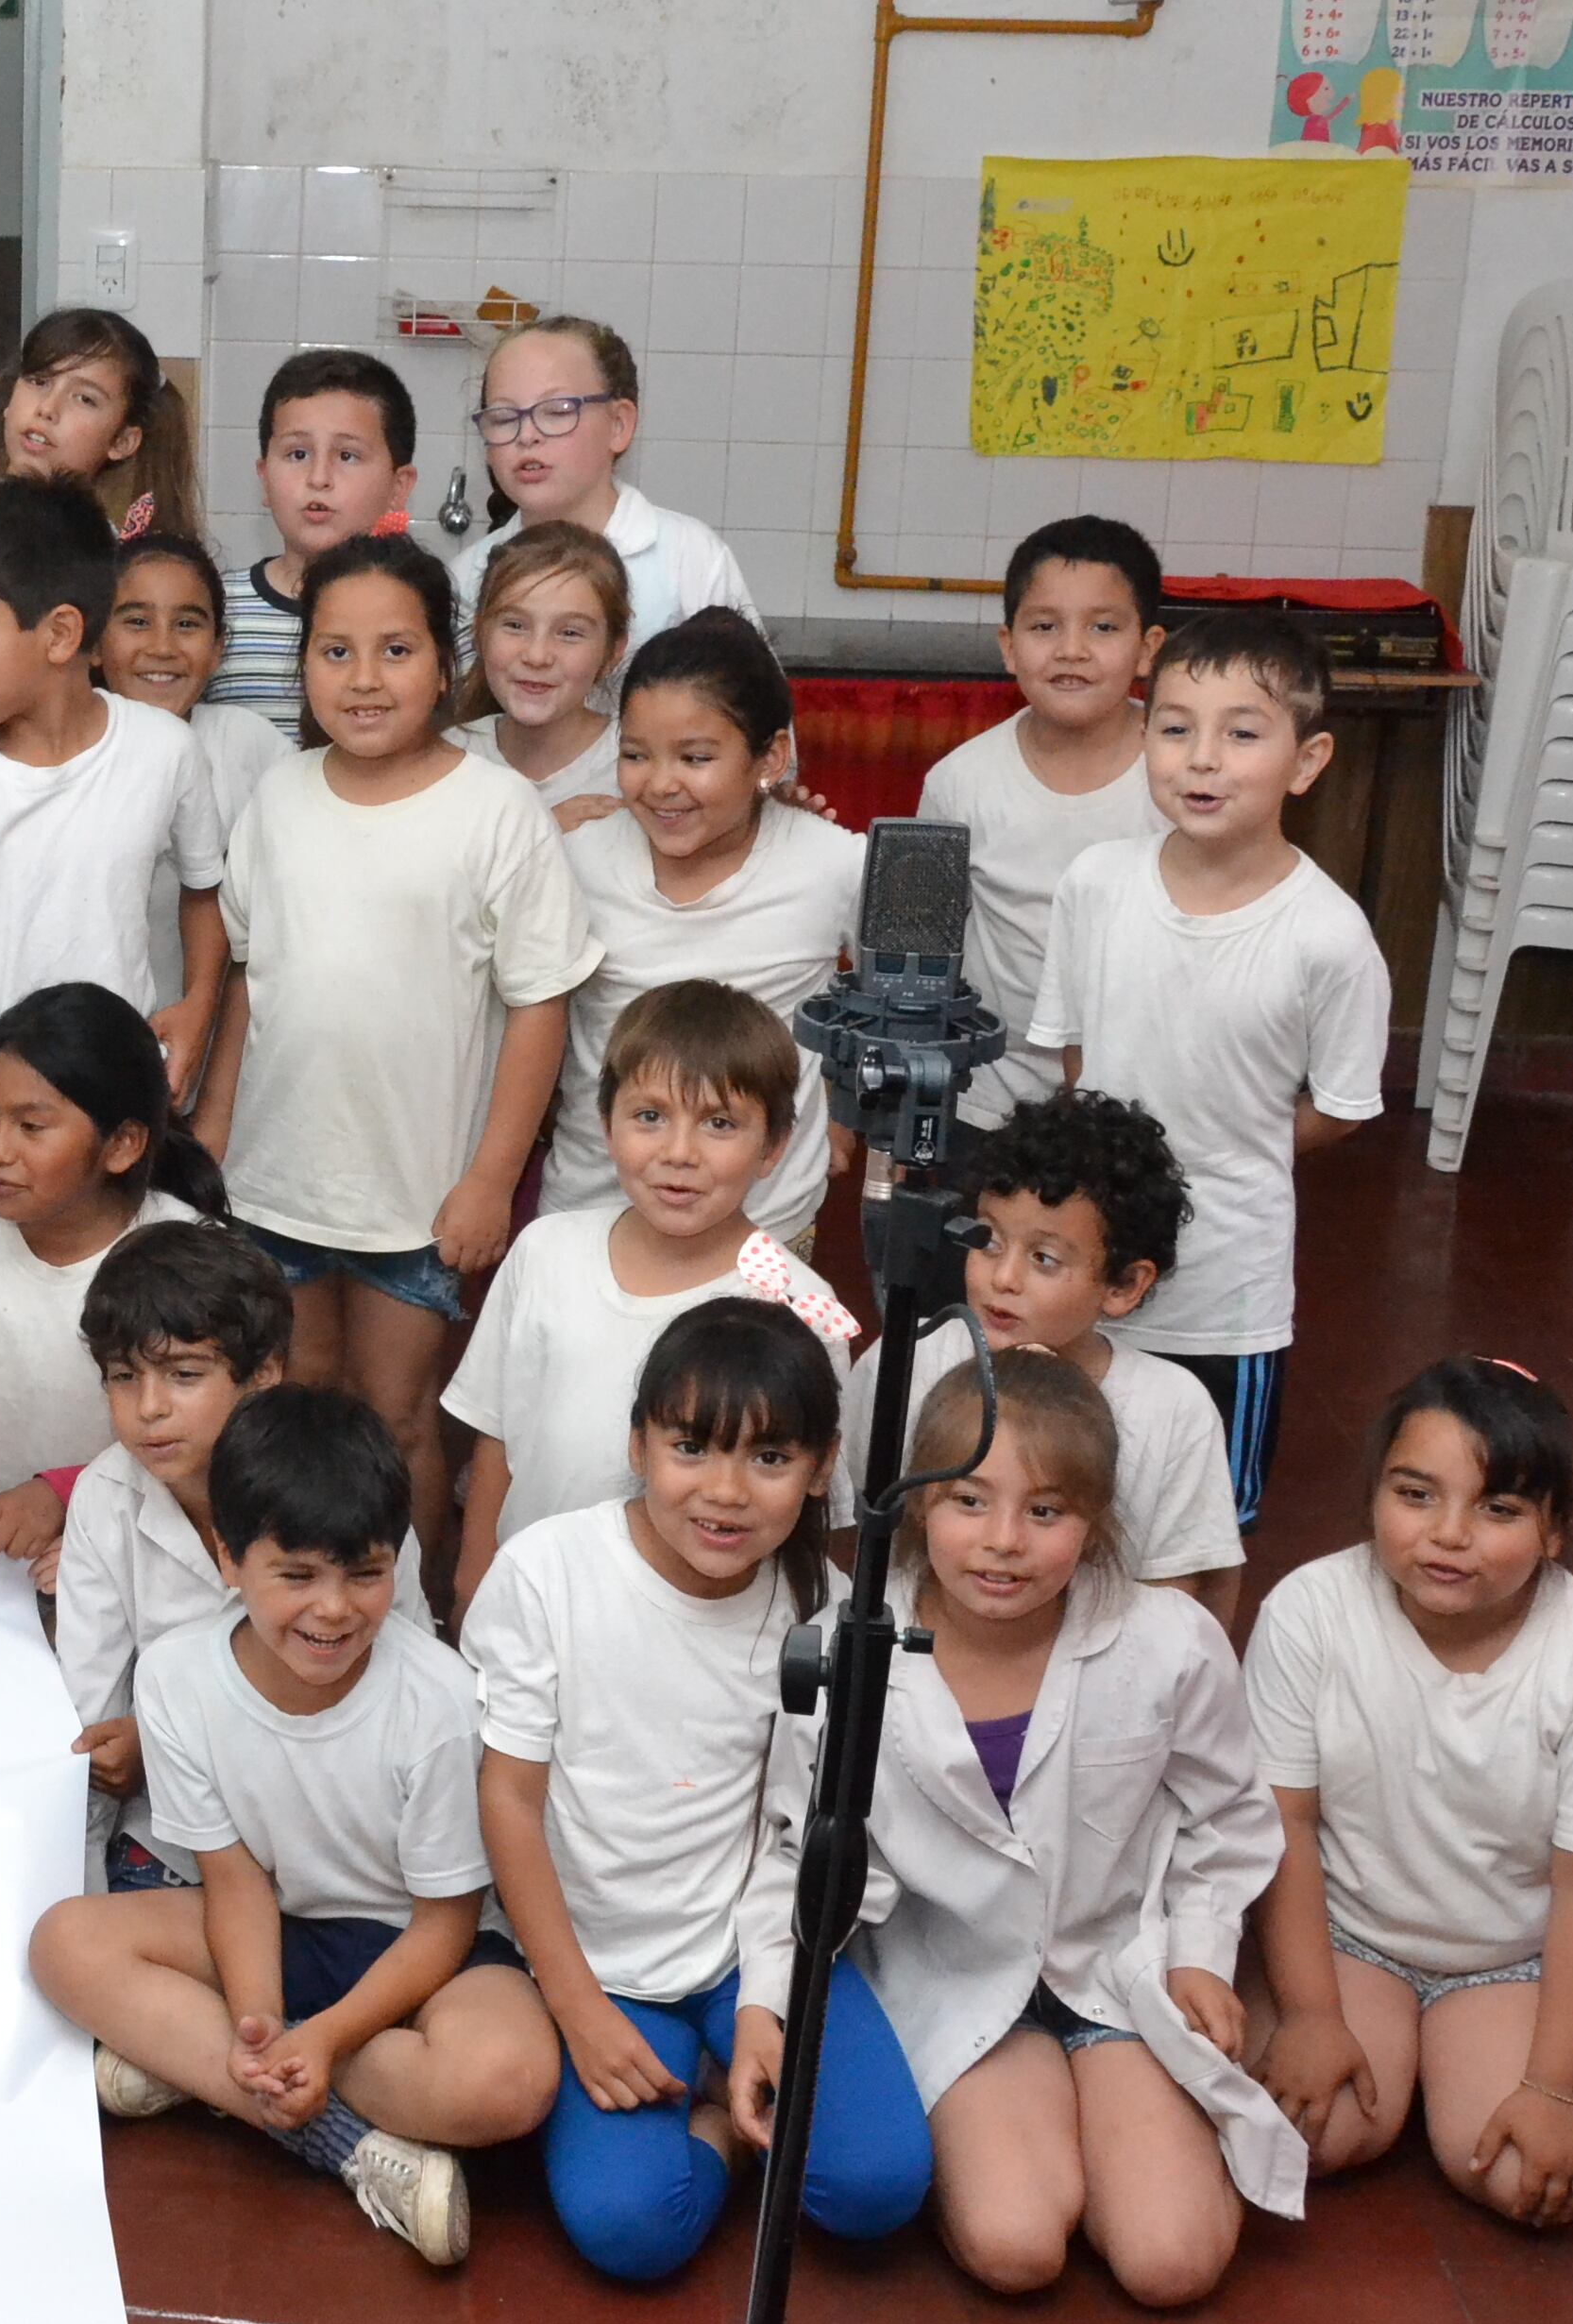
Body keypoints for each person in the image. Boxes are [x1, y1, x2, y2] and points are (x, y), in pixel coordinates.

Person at [746, 1352, 1294, 2308]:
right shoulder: (856, 1647)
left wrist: (1202, 1953)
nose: (1002, 1542)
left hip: (1114, 1970)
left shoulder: (1168, 1641)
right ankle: (1036, 2130)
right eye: (968, 1501)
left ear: (1097, 1524)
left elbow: (1230, 1815)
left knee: (1172, 2262)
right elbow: (800, 1848)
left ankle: (1110, 2112)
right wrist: (772, 1996)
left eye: (1046, 1512)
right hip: (954, 1978)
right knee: (1017, 2246)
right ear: (916, 1507)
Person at [31, 1387, 555, 2272]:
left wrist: (322, 2038)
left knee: (509, 2081)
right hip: (282, 1927)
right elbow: (234, 1882)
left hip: (426, 1952)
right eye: (297, 1575)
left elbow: (446, 1922)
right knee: (63, 1944)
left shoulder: (438, 1699)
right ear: (228, 1558)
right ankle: (347, 2140)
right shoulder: (174, 1678)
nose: (333, 1610)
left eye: (365, 1573)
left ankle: (203, 2072)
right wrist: (258, 2019)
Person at [470, 1298, 931, 2280]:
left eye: (770, 1460)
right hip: (597, 1969)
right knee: (635, 2228)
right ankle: (719, 2122)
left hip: (741, 1952)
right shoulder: (549, 1573)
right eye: (691, 1448)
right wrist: (580, 2010)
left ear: (819, 1471)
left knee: (877, 2186)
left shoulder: (824, 1612)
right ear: (637, 1444)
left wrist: (764, 2000)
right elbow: (509, 1803)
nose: (725, 1493)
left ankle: (727, 2059)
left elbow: (796, 1839)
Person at [203, 534, 597, 1589]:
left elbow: (539, 1005)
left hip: (420, 1197)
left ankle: (412, 1625)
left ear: (444, 659)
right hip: (279, 1181)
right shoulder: (280, 797)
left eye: (395, 650)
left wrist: (487, 1182)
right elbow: (253, 978)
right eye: (335, 652)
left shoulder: (495, 810)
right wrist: (215, 1134)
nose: (364, 680)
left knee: (402, 1420)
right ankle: (302, 1607)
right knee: (295, 1407)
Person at [1247, 1357, 1573, 2231]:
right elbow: (1283, 1820)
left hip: (1508, 1958)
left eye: (1499, 1508)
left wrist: (1556, 2086)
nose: (1449, 1534)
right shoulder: (1309, 1611)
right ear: (1374, 1496)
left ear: (1555, 1532)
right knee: (1304, 2143)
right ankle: (1394, 2055)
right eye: (1416, 1494)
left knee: (1532, 2184)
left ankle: (1485, 2057)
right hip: (1347, 1937)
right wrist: (1313, 2014)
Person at [1031, 607, 1391, 1530]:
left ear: (1306, 763)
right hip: (1089, 1267)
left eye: (1242, 734)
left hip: (1229, 1293)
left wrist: (1227, 1152)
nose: (1202, 759)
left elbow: (1339, 1110)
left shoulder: (1330, 937)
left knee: (1204, 1527)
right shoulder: (1097, 885)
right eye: (1177, 728)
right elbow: (1080, 1056)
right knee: (1065, 1500)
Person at [0, 481, 228, 1217]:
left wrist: (199, 1002)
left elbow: (204, 889)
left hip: (116, 1141)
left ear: (59, 635)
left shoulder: (163, 751)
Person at [57, 1223, 397, 1893]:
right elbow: (88, 1727)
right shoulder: (105, 1497)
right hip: (177, 1845)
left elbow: (391, 1690)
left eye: (185, 1375)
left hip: (340, 1838)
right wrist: (80, 1888)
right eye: (124, 1377)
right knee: (75, 1946)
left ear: (264, 1374)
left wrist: (157, 1750)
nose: (149, 1408)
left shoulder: (340, 1479)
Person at [445, 980, 809, 1605]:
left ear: (774, 1146)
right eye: (650, 1116)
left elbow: (817, 1501)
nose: (678, 1153)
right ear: (605, 1124)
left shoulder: (800, 1306)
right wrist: (473, 1582)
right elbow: (498, 1436)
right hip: (527, 1607)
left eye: (720, 1123)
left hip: (689, 1631)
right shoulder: (544, 1252)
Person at [847, 1089, 1242, 1628]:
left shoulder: (1173, 1409)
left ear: (1125, 1284)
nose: (1003, 1278)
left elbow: (1183, 1594)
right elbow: (852, 1537)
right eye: (988, 1241)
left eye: (1044, 1258)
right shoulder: (904, 1359)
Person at [541, 609, 862, 1255]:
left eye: (695, 757)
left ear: (770, 756)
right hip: (592, 1214)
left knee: (760, 1358)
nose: (660, 784)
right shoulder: (577, 858)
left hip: (764, 1228)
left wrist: (843, 1109)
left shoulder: (836, 863)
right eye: (635, 755)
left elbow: (890, 1011)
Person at [0, 985, 220, 1566]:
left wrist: (66, 1494)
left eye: (32, 1127)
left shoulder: (187, 1253)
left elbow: (202, 1438)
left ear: (122, 1144)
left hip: (142, 1545)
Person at [925, 517, 1169, 1127]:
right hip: (989, 1100)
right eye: (1044, 626)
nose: (1072, 650)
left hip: (1143, 1098)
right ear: (1008, 646)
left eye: (1104, 627)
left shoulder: (1182, 779)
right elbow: (926, 954)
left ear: (1148, 647)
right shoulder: (961, 783)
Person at [0, 307, 198, 710]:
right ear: (8, 401)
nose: (48, 407)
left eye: (85, 398)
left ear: (122, 441)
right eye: (38, 381)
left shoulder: (108, 551)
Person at [444, 314, 754, 672]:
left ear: (619, 425)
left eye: (558, 411)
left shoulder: (691, 559)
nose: (526, 435)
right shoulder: (468, 576)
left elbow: (755, 711)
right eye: (503, 417)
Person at [205, 349, 421, 731]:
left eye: (348, 456)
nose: (319, 477)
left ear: (398, 487)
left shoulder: (428, 611)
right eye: (298, 453)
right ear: (264, 477)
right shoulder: (213, 609)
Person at [98, 530, 295, 856]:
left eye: (187, 624)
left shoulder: (249, 743)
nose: (162, 647)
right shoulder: (71, 752)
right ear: (93, 641)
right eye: (137, 621)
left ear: (218, 647)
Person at [448, 519, 634, 819]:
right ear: (479, 633)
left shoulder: (636, 764)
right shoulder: (447, 759)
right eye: (515, 626)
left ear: (613, 651)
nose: (537, 656)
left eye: (570, 633)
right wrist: (546, 831)